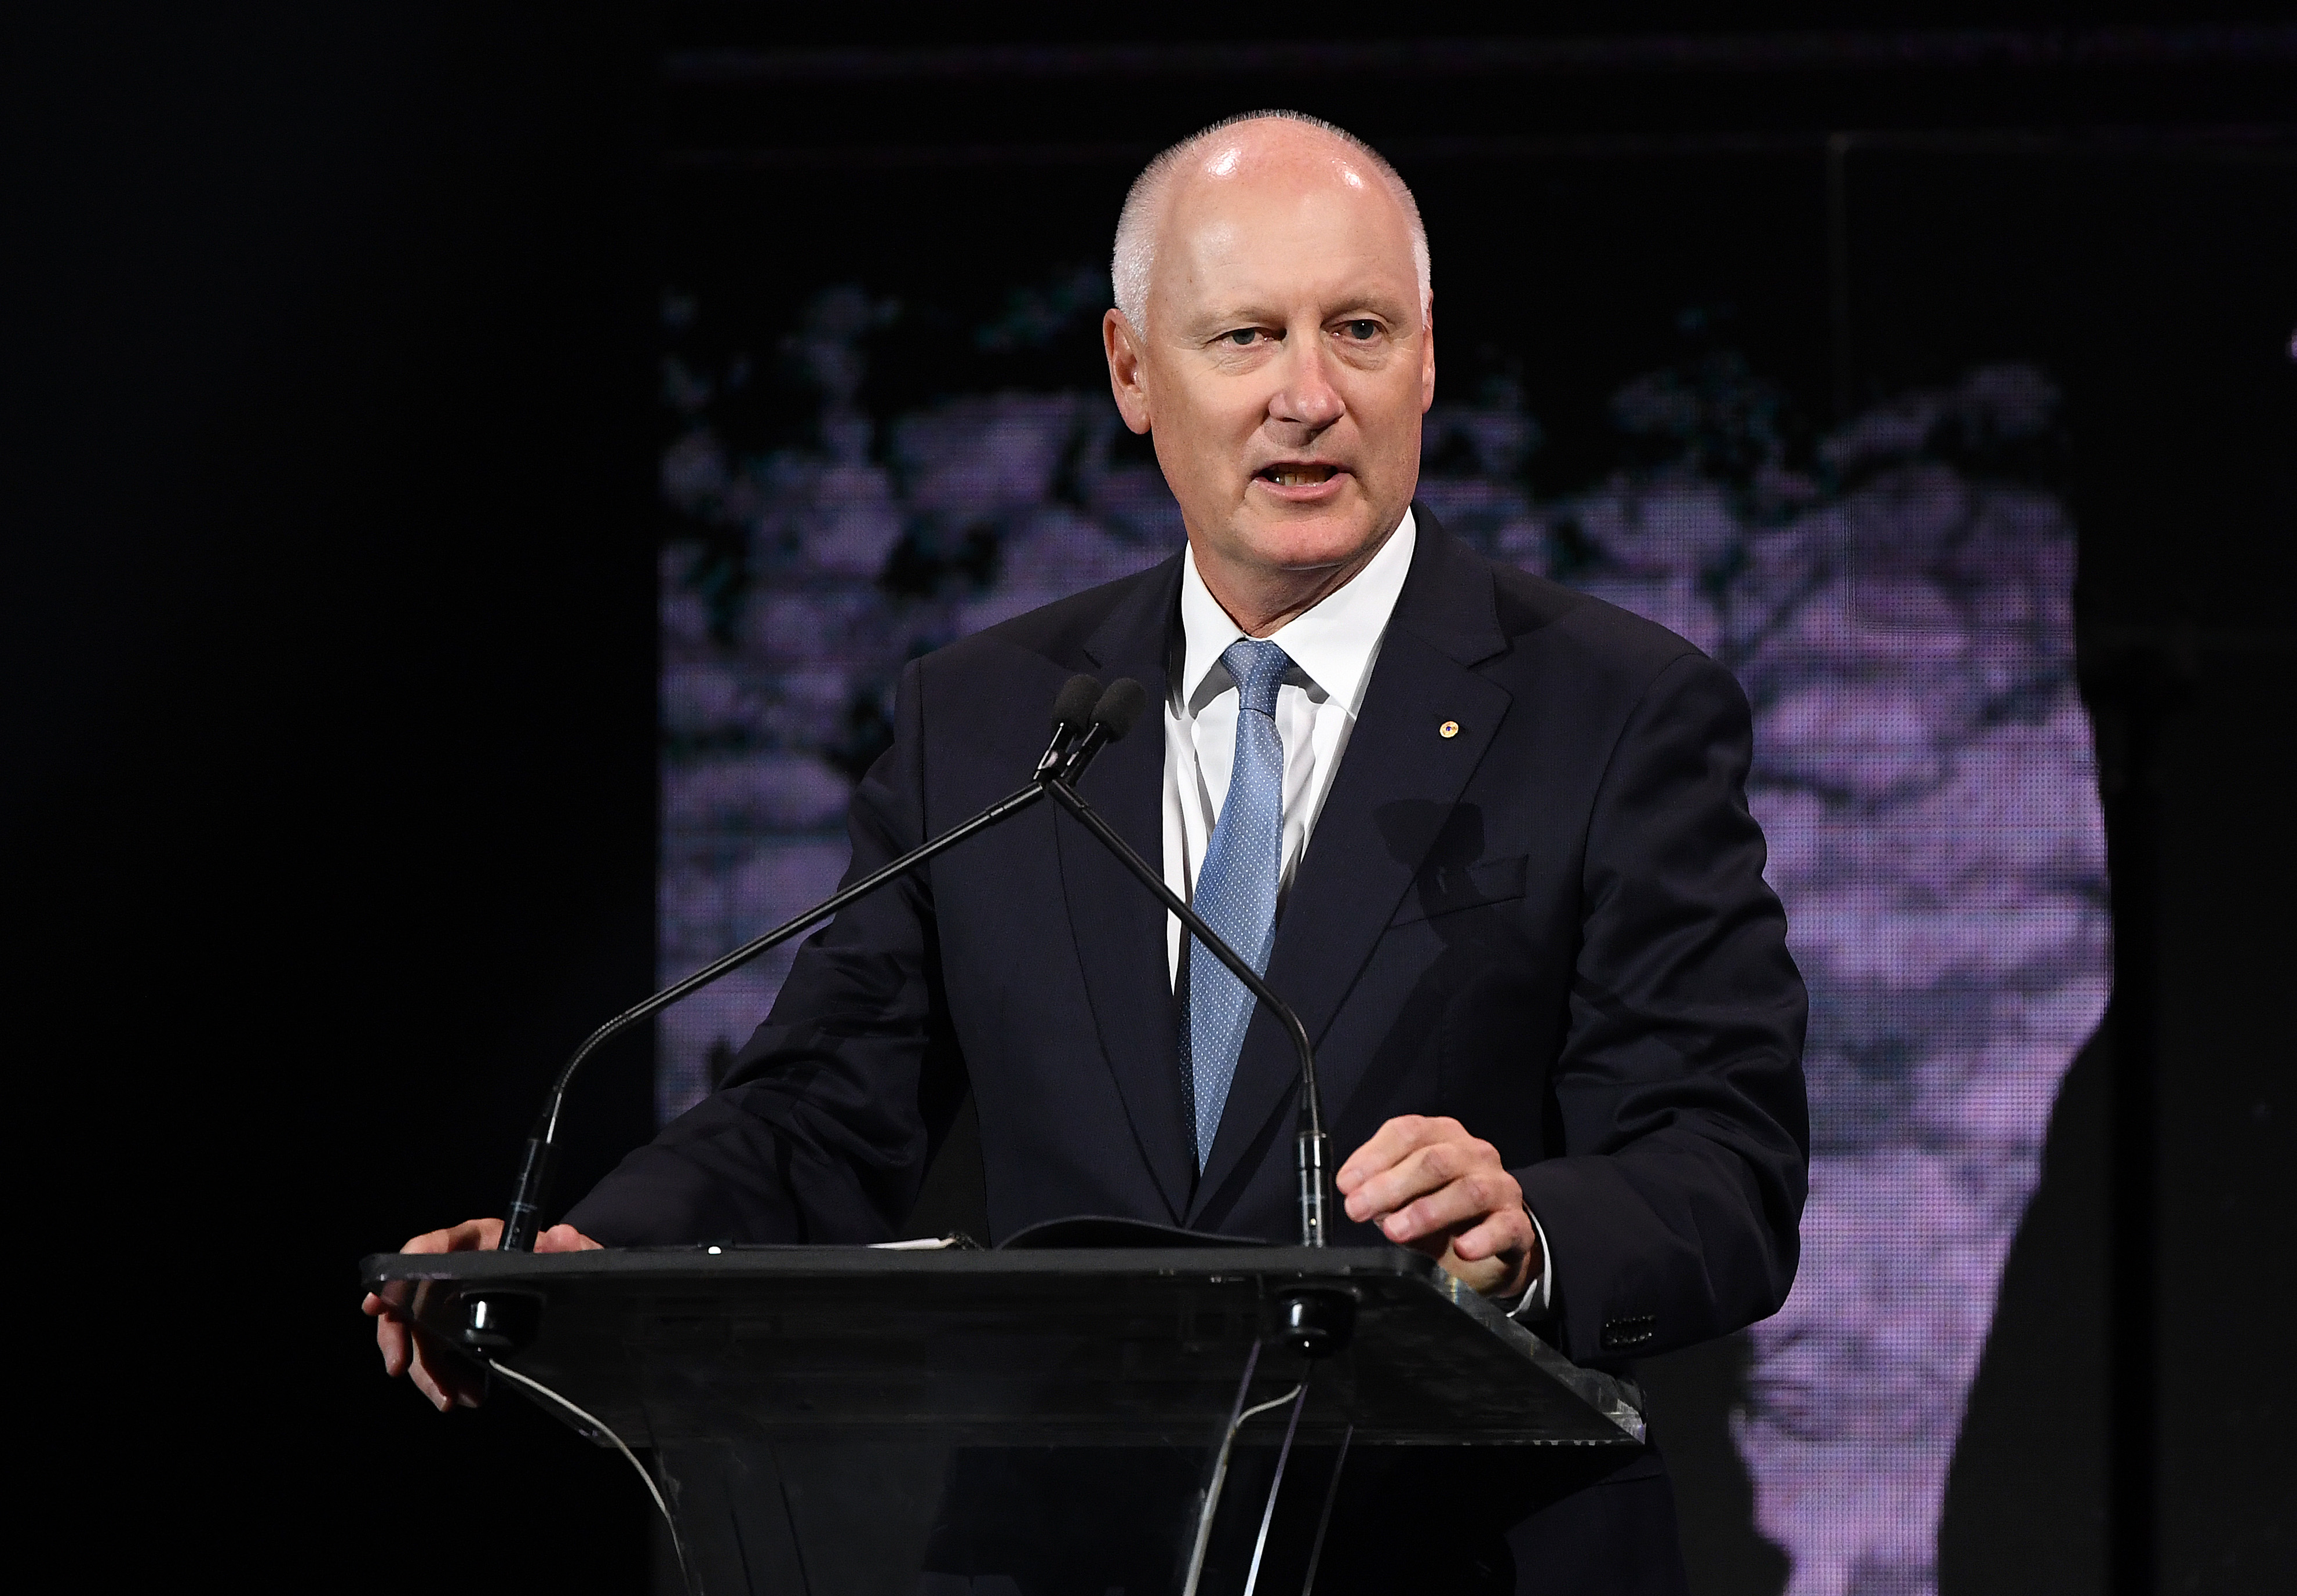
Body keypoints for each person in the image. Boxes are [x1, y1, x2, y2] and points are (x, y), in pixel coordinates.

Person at [366, 110, 1807, 1593]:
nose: (1306, 396)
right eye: (1244, 337)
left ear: (1426, 359)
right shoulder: (991, 721)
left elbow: (1724, 1163)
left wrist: (1529, 1231)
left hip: (1459, 1552)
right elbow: (824, 1106)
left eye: (1358, 331)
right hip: (1074, 1546)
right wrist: (594, 1253)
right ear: (1131, 371)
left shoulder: (1613, 708)